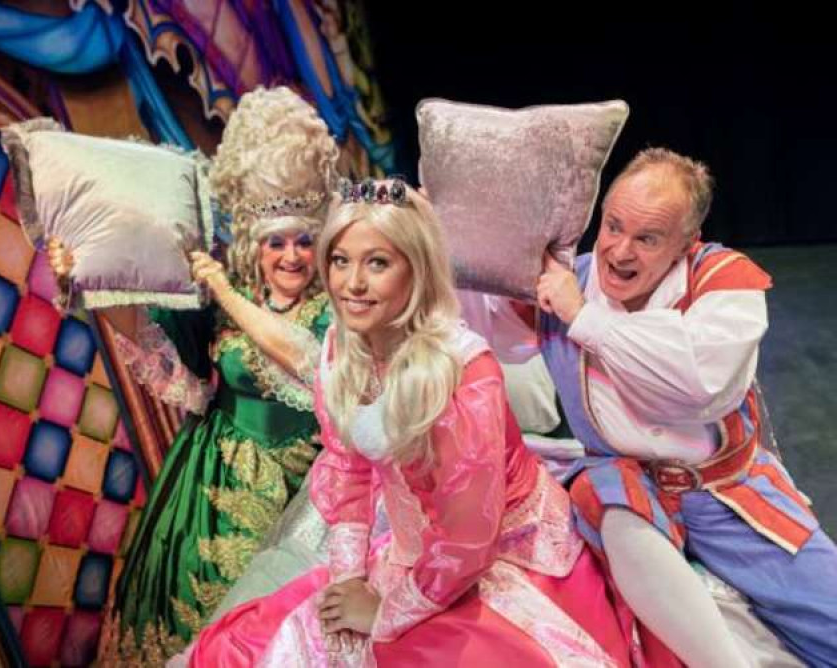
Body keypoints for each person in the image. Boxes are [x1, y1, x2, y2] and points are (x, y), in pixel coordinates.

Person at [169, 180, 637, 667]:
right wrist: (349, 576)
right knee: (254, 648)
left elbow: (467, 541)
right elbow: (348, 470)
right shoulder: (341, 350)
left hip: (497, 557)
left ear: (415, 271)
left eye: (377, 263)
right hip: (415, 555)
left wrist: (386, 610)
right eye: (340, 260)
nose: (352, 284)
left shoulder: (463, 374)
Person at [482, 147, 837, 667]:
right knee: (609, 486)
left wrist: (584, 318)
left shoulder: (723, 282)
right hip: (626, 494)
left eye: (647, 238)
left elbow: (698, 384)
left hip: (725, 494)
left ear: (685, 244)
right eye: (613, 227)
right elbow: (486, 325)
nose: (620, 252)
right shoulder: (567, 280)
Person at [50, 86, 339, 661]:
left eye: (304, 241)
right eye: (274, 242)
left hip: (305, 498)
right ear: (254, 243)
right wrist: (87, 280)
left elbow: (307, 362)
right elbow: (153, 337)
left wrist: (227, 293)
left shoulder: (335, 306)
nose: (290, 257)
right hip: (202, 484)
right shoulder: (224, 298)